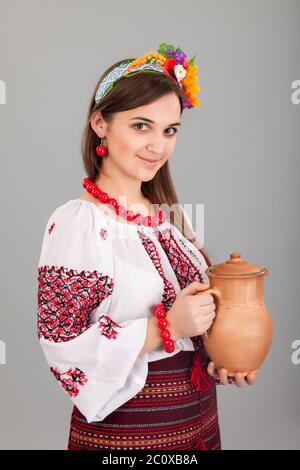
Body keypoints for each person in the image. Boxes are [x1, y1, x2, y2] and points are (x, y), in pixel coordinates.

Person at [36, 42, 256, 451]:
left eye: (169, 130)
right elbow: (59, 340)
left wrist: (222, 355)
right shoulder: (77, 224)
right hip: (132, 433)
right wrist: (167, 327)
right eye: (141, 126)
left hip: (197, 418)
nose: (159, 145)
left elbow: (193, 323)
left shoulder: (168, 218)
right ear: (101, 123)